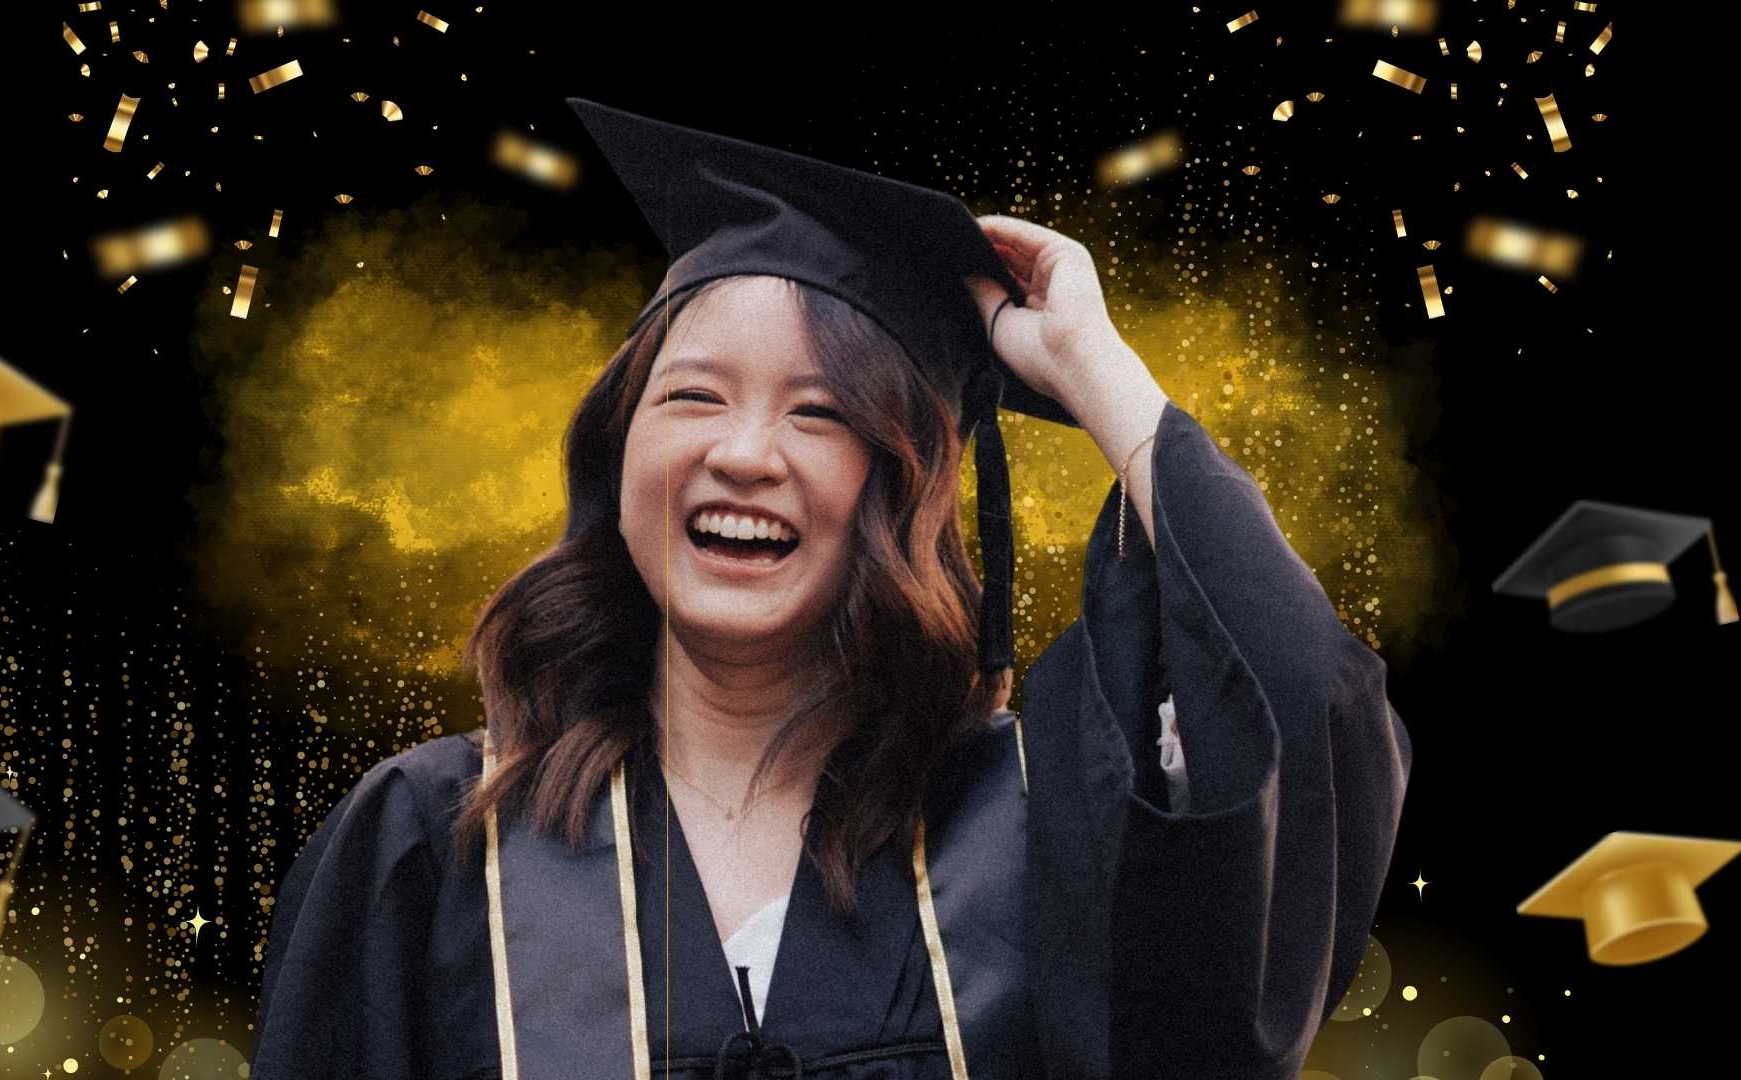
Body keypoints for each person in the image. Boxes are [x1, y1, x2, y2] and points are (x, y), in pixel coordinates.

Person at [250, 98, 1413, 1080]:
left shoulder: (1037, 825)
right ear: (616, 456)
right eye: (693, 397)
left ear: (902, 491)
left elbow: (1298, 713)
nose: (745, 453)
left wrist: (1092, 370)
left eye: (822, 412)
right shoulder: (435, 843)